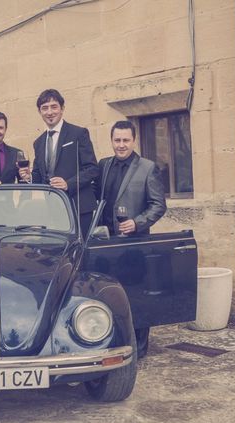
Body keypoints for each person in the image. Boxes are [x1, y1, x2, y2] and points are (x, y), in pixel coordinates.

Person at [96, 120, 167, 358]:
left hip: (134, 243)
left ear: (134, 140)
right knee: (108, 294)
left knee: (136, 295)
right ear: (112, 140)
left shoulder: (148, 167)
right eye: (117, 140)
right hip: (106, 243)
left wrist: (137, 223)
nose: (121, 145)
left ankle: (139, 350)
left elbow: (158, 205)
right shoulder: (103, 165)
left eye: (126, 140)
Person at [28, 89, 98, 236]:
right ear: (39, 112)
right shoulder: (38, 142)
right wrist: (27, 178)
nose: (50, 112)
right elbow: (38, 176)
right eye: (45, 108)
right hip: (53, 211)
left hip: (78, 207)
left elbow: (92, 169)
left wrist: (68, 184)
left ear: (62, 108)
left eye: (54, 107)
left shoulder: (78, 133)